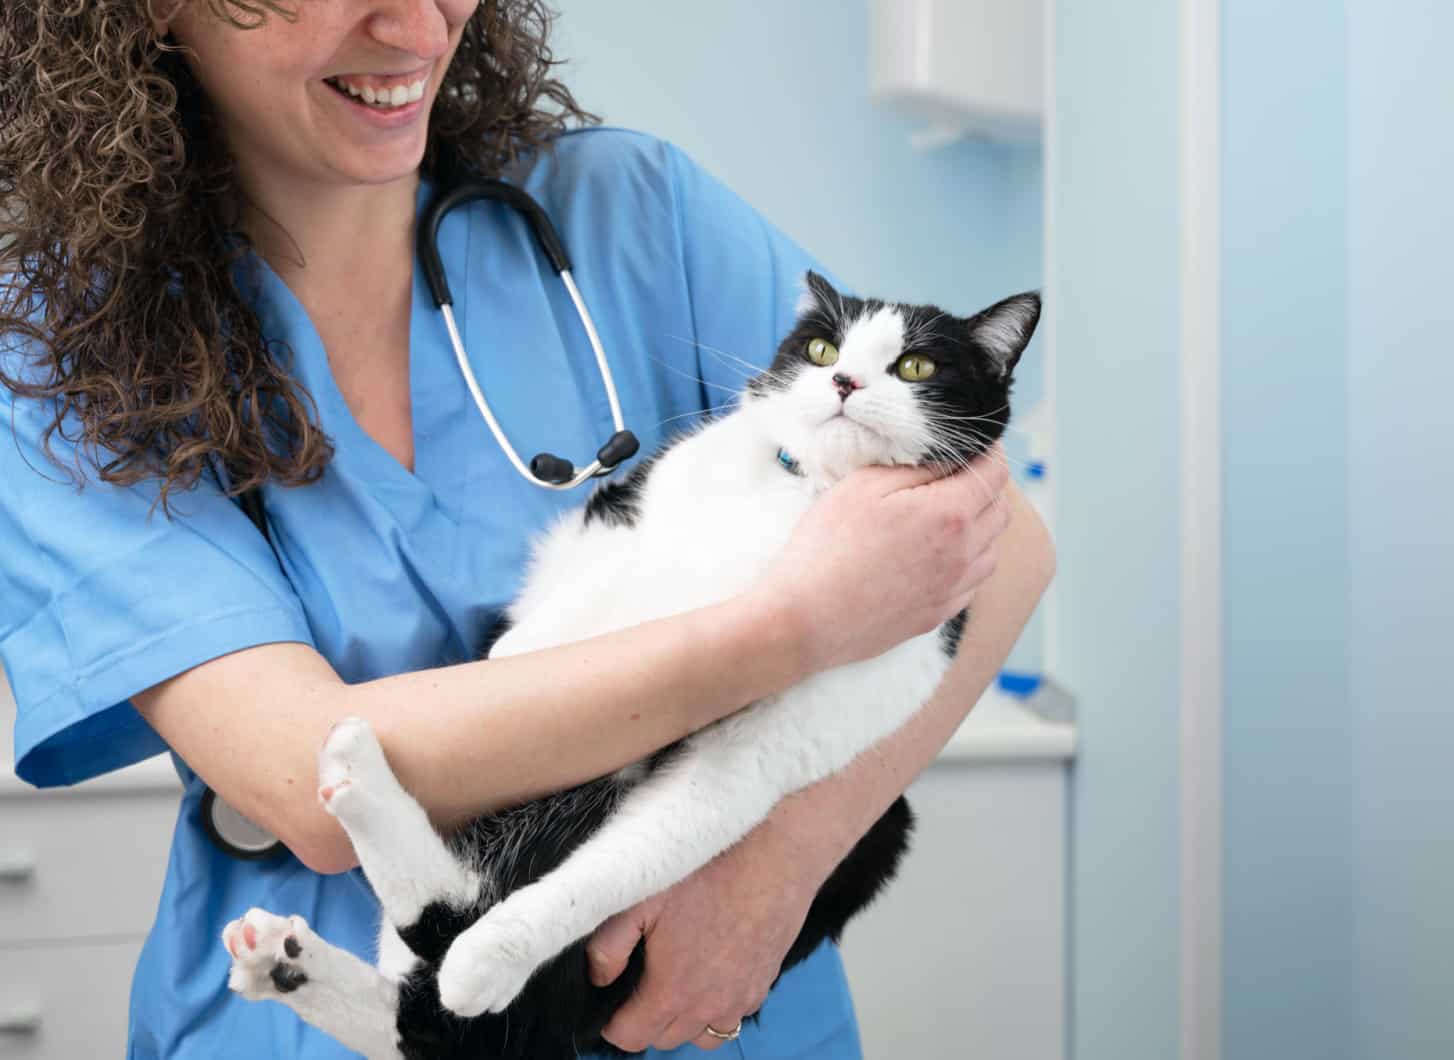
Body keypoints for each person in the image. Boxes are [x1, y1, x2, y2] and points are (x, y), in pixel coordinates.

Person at [0, 2, 1054, 1058]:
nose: (416, 24)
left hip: (701, 1020)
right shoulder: (64, 353)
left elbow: (997, 549)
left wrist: (782, 847)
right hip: (332, 1003)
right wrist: (798, 626)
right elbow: (308, 778)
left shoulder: (628, 212)